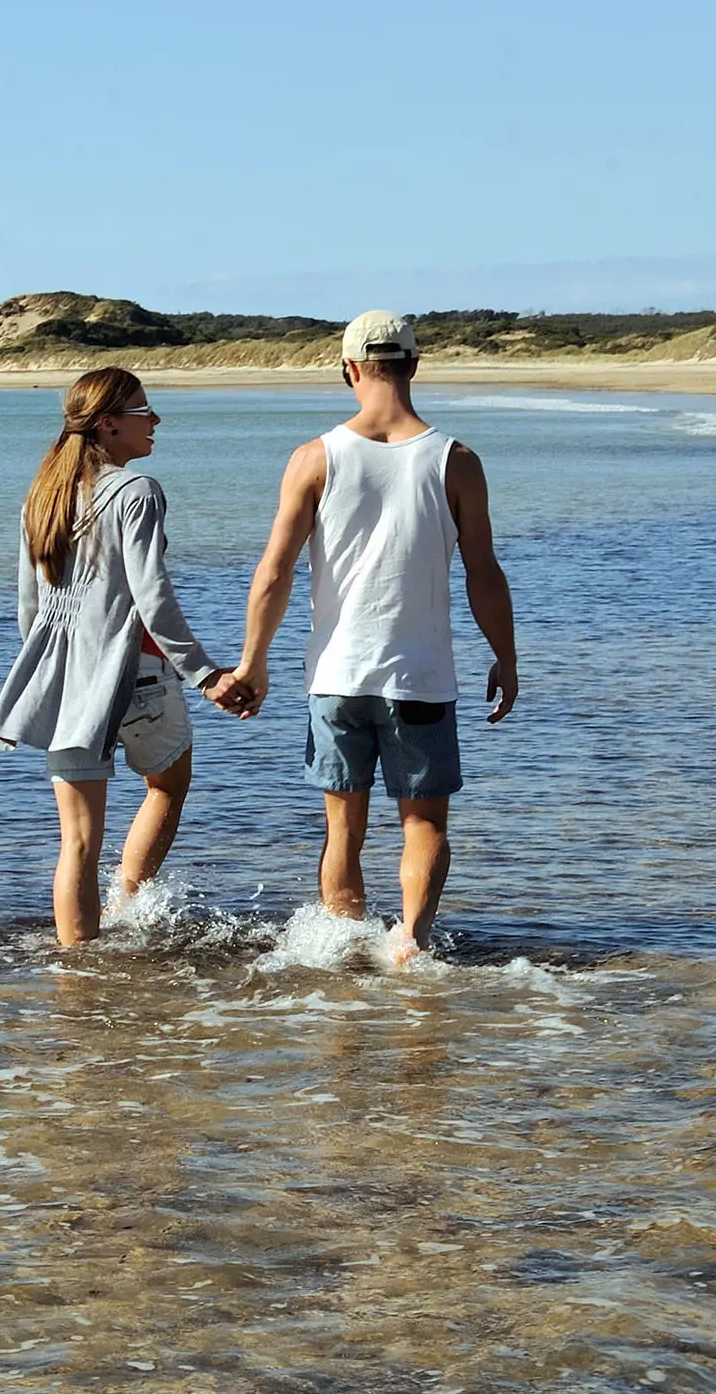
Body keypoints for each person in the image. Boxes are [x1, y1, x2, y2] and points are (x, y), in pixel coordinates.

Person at [225, 311, 518, 968]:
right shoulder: (457, 462)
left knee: (343, 828)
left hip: (337, 677)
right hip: (420, 675)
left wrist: (253, 662)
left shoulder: (313, 459)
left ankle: (342, 953)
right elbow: (484, 573)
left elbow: (273, 571)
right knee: (423, 823)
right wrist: (506, 656)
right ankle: (410, 942)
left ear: (348, 370)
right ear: (414, 366)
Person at [0, 367, 252, 946]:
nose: (155, 422)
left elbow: (30, 609)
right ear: (107, 423)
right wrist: (206, 675)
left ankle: (78, 980)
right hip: (137, 674)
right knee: (168, 785)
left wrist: (49, 676)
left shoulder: (42, 496)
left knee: (76, 841)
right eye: (144, 412)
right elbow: (153, 597)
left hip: (66, 681)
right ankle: (129, 906)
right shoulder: (136, 492)